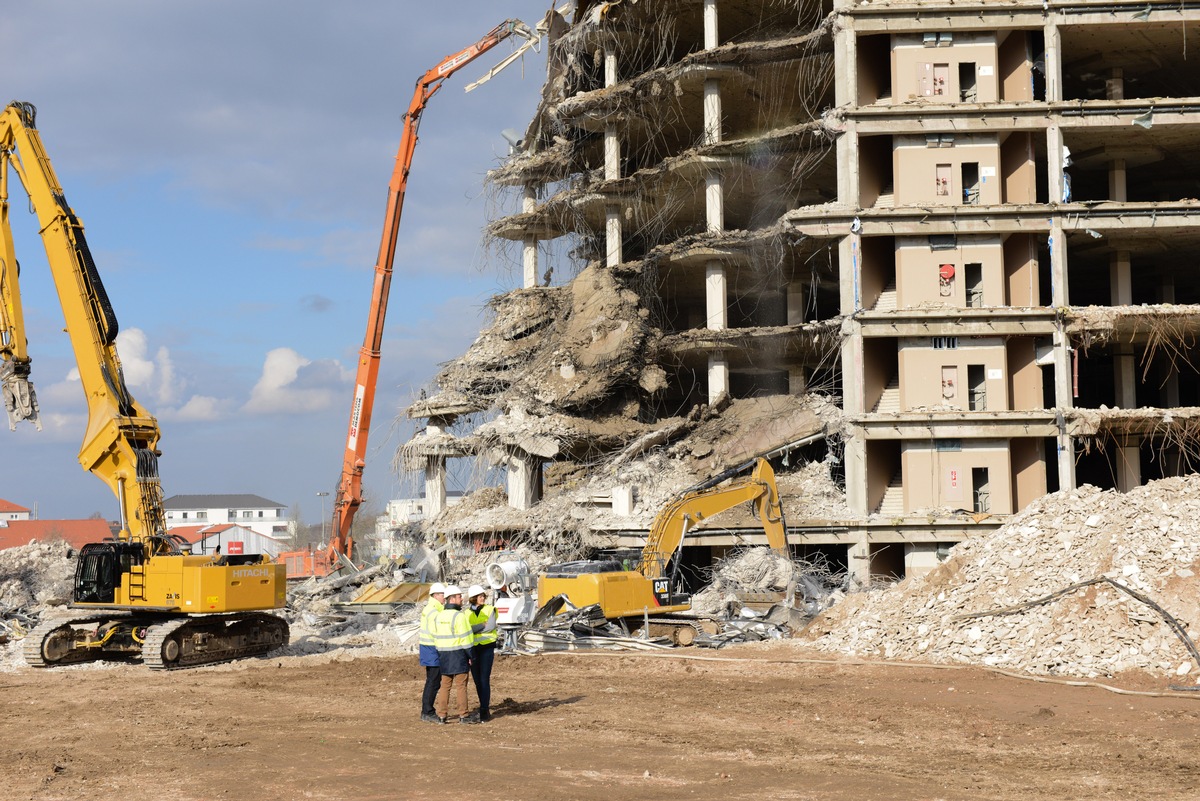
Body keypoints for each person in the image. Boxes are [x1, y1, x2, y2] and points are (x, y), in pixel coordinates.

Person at [432, 585, 476, 724]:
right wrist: (471, 656)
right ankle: (463, 715)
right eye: (459, 596)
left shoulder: (439, 616)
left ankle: (441, 715)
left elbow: (436, 637)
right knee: (461, 686)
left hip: (444, 655)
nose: (461, 599)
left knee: (445, 686)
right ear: (452, 599)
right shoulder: (459, 616)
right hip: (458, 655)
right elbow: (466, 639)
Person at [466, 584, 498, 722]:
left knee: (484, 679)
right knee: (477, 680)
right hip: (473, 648)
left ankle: (484, 710)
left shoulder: (490, 609)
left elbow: (490, 627)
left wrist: (474, 629)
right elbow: (466, 630)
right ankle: (482, 706)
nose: (483, 598)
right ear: (473, 598)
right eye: (480, 596)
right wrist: (481, 625)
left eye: (483, 596)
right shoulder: (466, 613)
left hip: (486, 647)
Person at [418, 582, 446, 724]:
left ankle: (426, 710)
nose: (444, 597)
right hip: (433, 649)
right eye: (442, 595)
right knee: (433, 681)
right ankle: (427, 711)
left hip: (429, 648)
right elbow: (437, 632)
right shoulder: (434, 611)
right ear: (435, 595)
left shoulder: (432, 608)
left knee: (433, 681)